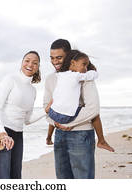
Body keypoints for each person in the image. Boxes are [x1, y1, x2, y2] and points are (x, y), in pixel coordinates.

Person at [43, 39, 113, 179]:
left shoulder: (84, 75)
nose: (55, 61)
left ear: (69, 57)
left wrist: (69, 123)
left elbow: (93, 108)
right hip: (60, 135)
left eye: (59, 57)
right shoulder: (50, 79)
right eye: (52, 58)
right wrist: (56, 123)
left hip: (81, 135)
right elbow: (47, 108)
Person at [0, 51, 46, 179]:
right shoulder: (11, 79)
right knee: (2, 176)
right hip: (2, 130)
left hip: (18, 134)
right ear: (22, 62)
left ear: (38, 67)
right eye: (27, 60)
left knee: (15, 176)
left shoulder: (32, 90)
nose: (30, 64)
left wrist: (46, 111)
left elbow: (27, 119)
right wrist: (2, 134)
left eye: (35, 63)